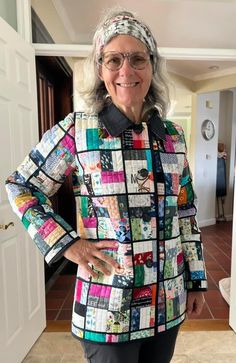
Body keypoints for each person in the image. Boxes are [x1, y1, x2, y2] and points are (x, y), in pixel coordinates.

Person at [6, 8, 207, 363]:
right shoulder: (77, 131)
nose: (126, 71)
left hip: (168, 301)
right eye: (114, 59)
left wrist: (196, 280)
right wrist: (68, 244)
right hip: (109, 309)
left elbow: (187, 212)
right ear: (100, 69)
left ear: (152, 67)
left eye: (137, 59)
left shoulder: (172, 136)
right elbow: (21, 186)